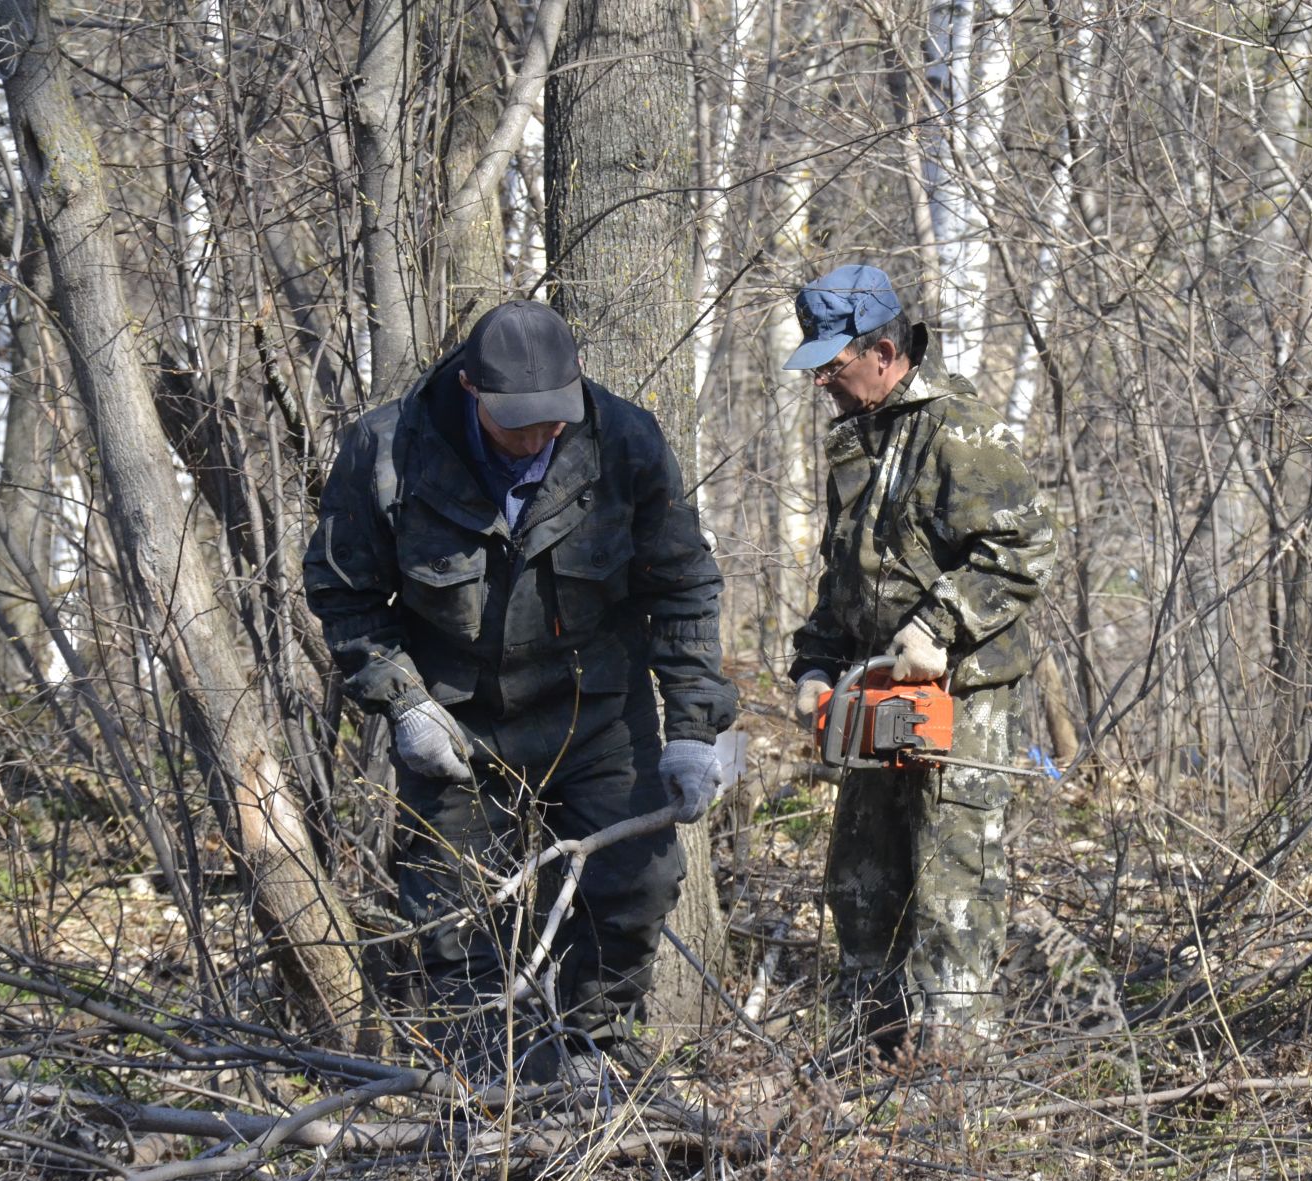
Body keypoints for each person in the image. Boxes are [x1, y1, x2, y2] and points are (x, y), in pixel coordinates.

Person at [303, 298, 736, 1085]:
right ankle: (485, 1073)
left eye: (553, 419)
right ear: (472, 391)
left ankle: (595, 1048)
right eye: (519, 423)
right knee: (452, 910)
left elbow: (684, 585)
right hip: (457, 719)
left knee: (638, 880)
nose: (539, 437)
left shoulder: (622, 440)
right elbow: (344, 592)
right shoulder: (389, 451)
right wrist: (401, 701)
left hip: (596, 710)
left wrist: (694, 727)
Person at [783, 264, 1055, 1057]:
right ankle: (865, 1053)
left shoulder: (959, 430)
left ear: (887, 351)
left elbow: (1025, 546)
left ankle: (950, 1079)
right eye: (821, 367)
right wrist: (814, 664)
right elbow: (845, 574)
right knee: (861, 884)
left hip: (958, 697)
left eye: (837, 365)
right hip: (874, 695)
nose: (827, 382)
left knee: (951, 890)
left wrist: (940, 623)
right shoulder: (856, 440)